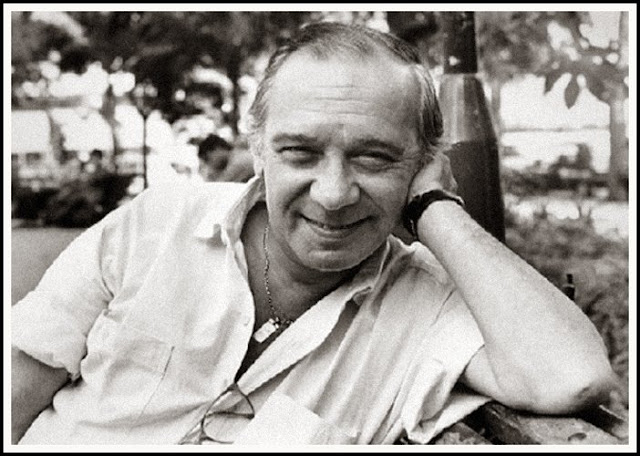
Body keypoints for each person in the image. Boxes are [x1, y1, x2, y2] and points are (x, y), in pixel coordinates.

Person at [12, 22, 617, 445]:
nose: (332, 193)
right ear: (258, 149)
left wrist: (438, 208)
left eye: (374, 158)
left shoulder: (426, 304)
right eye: (300, 153)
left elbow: (574, 376)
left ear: (423, 164)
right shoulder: (156, 225)